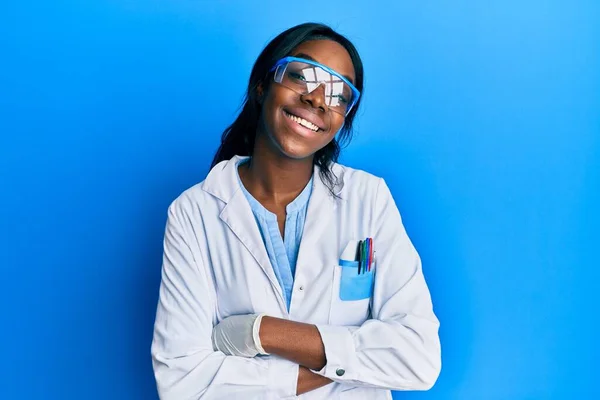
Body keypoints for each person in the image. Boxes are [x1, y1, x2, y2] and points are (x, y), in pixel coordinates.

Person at [151, 22, 441, 399]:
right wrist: (350, 366)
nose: (318, 99)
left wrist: (261, 332)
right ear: (263, 84)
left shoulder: (368, 199)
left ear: (342, 120)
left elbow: (418, 356)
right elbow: (181, 382)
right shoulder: (193, 214)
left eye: (339, 95)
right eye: (303, 75)